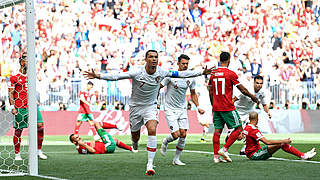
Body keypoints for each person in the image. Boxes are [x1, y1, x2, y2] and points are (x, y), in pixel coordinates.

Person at [84, 50, 213, 175]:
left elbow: (182, 75)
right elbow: (117, 76)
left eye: (155, 57)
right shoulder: (137, 72)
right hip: (135, 107)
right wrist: (97, 76)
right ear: (146, 59)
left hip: (150, 107)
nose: (153, 59)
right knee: (135, 137)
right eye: (150, 57)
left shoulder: (162, 72)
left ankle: (150, 164)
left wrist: (202, 72)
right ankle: (134, 144)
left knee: (152, 129)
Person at [208, 51, 258, 163]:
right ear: (229, 60)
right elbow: (242, 89)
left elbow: (210, 90)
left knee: (217, 131)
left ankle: (216, 157)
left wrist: (213, 104)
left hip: (216, 107)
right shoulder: (230, 73)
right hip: (227, 106)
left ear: (220, 60)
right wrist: (252, 96)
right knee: (239, 128)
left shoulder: (213, 73)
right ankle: (224, 149)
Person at [159, 54, 205, 166]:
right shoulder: (170, 75)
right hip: (169, 108)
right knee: (176, 135)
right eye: (183, 63)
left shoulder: (190, 77)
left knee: (183, 134)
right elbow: (158, 87)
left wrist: (198, 106)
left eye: (186, 64)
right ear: (178, 63)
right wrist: (155, 102)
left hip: (182, 108)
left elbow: (193, 93)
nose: (185, 65)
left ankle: (176, 159)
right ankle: (165, 141)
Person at [8, 52, 47, 160]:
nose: (29, 62)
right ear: (21, 62)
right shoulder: (14, 77)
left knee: (40, 125)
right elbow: (11, 92)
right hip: (20, 107)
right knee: (18, 130)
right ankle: (17, 154)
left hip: (32, 106)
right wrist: (12, 107)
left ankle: (39, 150)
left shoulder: (32, 76)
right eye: (26, 60)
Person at [243, 112, 316, 160]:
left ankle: (303, 155)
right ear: (257, 119)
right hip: (254, 155)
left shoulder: (247, 127)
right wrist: (284, 140)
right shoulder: (253, 129)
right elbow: (267, 142)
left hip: (253, 152)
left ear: (249, 119)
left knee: (281, 144)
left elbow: (241, 137)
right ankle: (303, 156)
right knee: (282, 144)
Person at [229, 75, 271, 155]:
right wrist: (230, 110)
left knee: (250, 129)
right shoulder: (246, 90)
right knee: (238, 136)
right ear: (254, 83)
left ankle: (244, 148)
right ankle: (230, 134)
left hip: (249, 112)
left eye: (261, 83)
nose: (259, 85)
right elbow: (233, 99)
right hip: (239, 111)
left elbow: (264, 104)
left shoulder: (262, 92)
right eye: (257, 83)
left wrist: (268, 112)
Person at [70, 122, 137, 154]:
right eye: (77, 138)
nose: (79, 137)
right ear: (74, 142)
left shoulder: (81, 146)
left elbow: (92, 147)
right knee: (97, 124)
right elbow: (93, 151)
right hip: (108, 146)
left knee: (115, 140)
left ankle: (132, 149)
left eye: (78, 136)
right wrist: (89, 143)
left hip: (107, 145)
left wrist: (94, 141)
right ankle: (116, 126)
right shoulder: (81, 147)